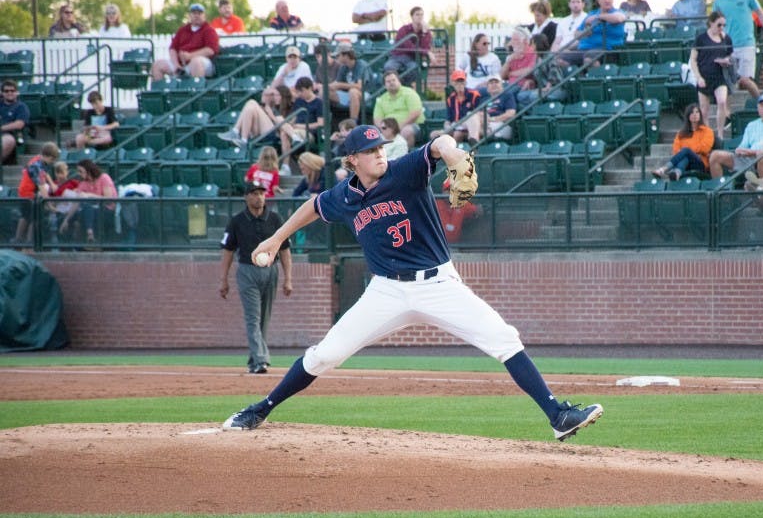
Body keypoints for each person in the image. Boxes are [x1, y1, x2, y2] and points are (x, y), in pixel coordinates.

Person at [221, 124, 604, 442]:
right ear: (352, 159)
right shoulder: (345, 195)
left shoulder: (404, 171)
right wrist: (275, 239)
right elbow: (314, 206)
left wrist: (453, 155)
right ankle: (261, 409)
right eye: (370, 150)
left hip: (438, 283)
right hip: (385, 289)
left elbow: (438, 144)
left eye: (380, 147)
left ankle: (557, 416)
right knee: (325, 355)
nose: (379, 153)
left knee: (503, 338)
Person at [220, 180, 293, 375]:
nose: (259, 197)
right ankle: (261, 359)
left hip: (271, 270)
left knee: (264, 319)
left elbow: (285, 250)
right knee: (253, 317)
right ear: (246, 197)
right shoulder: (237, 221)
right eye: (254, 193)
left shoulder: (275, 219)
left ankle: (255, 358)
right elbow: (228, 251)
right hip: (247, 271)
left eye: (261, 193)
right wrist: (223, 279)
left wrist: (288, 279)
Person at [709, 93, 763, 179]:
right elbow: (743, 146)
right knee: (715, 155)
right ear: (758, 108)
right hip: (748, 157)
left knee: (761, 154)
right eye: (761, 106)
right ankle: (718, 189)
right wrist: (742, 151)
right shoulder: (751, 125)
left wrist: (754, 152)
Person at [712, 0, 763, 98]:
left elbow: (760, 13)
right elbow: (713, 23)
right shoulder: (718, 0)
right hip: (727, 46)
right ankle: (727, 114)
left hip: (746, 44)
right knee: (727, 84)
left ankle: (761, 102)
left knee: (744, 81)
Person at [688, 11, 733, 141]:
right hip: (704, 76)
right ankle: (708, 135)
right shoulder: (701, 39)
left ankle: (720, 134)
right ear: (711, 23)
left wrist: (726, 61)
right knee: (704, 110)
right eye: (719, 25)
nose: (721, 28)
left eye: (723, 25)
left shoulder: (726, 38)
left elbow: (731, 55)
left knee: (722, 101)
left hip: (720, 75)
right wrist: (698, 77)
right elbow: (693, 59)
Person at [150, 4, 220, 80]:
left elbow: (211, 50)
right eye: (194, 13)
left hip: (203, 63)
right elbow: (173, 48)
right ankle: (160, 90)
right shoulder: (183, 30)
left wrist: (190, 56)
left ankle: (196, 90)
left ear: (204, 16)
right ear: (189, 15)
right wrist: (176, 64)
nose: (196, 16)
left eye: (199, 13)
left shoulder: (209, 30)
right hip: (180, 64)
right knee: (157, 65)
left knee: (196, 62)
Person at [652, 103, 715, 181]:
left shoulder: (707, 131)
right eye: (692, 113)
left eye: (697, 112)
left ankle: (663, 169)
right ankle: (677, 173)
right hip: (684, 163)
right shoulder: (681, 134)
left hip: (700, 163)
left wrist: (688, 150)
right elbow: (676, 151)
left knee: (686, 151)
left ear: (700, 115)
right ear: (688, 116)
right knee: (685, 156)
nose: (695, 115)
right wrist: (690, 150)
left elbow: (705, 148)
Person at [219, 85, 295, 148]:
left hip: (273, 134)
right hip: (259, 133)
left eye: (278, 95)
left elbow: (284, 126)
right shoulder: (271, 106)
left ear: (283, 97)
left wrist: (271, 115)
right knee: (251, 105)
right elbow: (264, 96)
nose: (276, 97)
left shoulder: (287, 109)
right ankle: (241, 137)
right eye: (274, 95)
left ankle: (237, 133)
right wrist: (270, 91)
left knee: (252, 102)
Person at [14, 142, 59, 245]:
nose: (52, 162)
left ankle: (20, 240)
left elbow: (45, 173)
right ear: (45, 155)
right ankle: (29, 243)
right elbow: (42, 188)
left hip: (28, 191)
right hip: (27, 194)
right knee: (33, 218)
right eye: (51, 159)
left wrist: (52, 183)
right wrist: (49, 204)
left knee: (26, 217)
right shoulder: (36, 166)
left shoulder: (40, 160)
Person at [562, 0, 627, 66]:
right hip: (585, 48)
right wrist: (585, 33)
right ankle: (568, 76)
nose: (607, 1)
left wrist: (598, 17)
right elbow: (576, 34)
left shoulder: (618, 12)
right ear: (599, 1)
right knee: (560, 58)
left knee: (589, 58)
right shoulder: (591, 14)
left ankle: (595, 76)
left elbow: (619, 18)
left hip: (607, 49)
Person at [383, 6, 436, 87]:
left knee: (414, 68)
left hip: (412, 58)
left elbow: (425, 47)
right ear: (412, 17)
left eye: (421, 15)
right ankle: (397, 87)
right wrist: (427, 52)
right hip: (397, 56)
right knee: (389, 67)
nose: (420, 17)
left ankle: (403, 87)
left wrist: (424, 33)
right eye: (417, 15)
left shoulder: (426, 32)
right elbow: (408, 47)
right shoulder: (403, 29)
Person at [372, 70, 425, 149]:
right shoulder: (381, 99)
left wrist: (398, 127)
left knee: (406, 131)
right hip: (388, 128)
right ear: (385, 85)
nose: (391, 83)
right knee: (373, 135)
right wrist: (385, 129)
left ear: (399, 81)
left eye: (394, 80)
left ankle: (406, 157)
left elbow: (415, 113)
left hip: (411, 125)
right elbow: (377, 119)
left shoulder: (409, 93)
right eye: (388, 81)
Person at [73, 159, 118, 245]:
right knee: (85, 208)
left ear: (88, 170)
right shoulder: (83, 183)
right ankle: (90, 235)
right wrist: (66, 219)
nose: (79, 174)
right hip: (90, 211)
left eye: (81, 171)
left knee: (88, 210)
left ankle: (89, 236)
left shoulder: (104, 177)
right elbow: (76, 203)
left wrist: (90, 195)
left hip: (106, 210)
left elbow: (108, 200)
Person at [515, 34, 567, 106]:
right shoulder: (537, 58)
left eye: (532, 44)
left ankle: (540, 112)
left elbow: (553, 73)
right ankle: (535, 113)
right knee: (521, 96)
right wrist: (530, 81)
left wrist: (547, 87)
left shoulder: (550, 56)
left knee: (534, 96)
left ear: (538, 44)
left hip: (556, 89)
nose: (531, 46)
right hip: (542, 88)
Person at [436, 69, 483, 143]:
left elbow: (480, 113)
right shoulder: (450, 99)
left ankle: (473, 145)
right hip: (456, 125)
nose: (460, 84)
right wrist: (447, 126)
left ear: (465, 82)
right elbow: (448, 119)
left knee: (459, 132)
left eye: (462, 81)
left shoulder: (474, 94)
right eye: (457, 82)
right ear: (453, 83)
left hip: (473, 125)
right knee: (434, 135)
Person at [330, 46, 372, 122]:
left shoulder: (361, 64)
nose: (336, 58)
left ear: (345, 55)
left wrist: (340, 85)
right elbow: (336, 84)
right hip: (348, 94)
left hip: (365, 94)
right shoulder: (343, 67)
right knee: (324, 91)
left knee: (353, 92)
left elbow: (360, 86)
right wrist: (327, 86)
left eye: (338, 55)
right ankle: (323, 124)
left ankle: (353, 123)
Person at [284, 77, 323, 157]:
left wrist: (301, 126)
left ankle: (286, 163)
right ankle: (286, 164)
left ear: (310, 88)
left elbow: (320, 123)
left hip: (309, 133)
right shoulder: (299, 101)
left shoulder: (319, 103)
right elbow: (294, 118)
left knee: (284, 134)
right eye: (298, 92)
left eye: (302, 91)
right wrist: (290, 123)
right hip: (295, 130)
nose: (300, 94)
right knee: (283, 131)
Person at [435, 177, 481, 244]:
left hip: (456, 247)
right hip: (439, 245)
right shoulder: (435, 204)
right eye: (448, 190)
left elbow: (478, 210)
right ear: (442, 192)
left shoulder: (462, 204)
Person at [499, 26, 538, 92]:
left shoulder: (533, 53)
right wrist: (508, 61)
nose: (511, 43)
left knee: (505, 93)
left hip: (522, 85)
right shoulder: (512, 55)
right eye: (512, 40)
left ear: (525, 41)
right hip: (509, 84)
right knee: (489, 91)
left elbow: (528, 71)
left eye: (515, 40)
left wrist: (509, 74)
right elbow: (501, 76)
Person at [1, 80, 29, 165]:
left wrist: (2, 128)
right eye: (6, 91)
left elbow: (19, 124)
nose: (10, 93)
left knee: (8, 140)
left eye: (12, 91)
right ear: (2, 93)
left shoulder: (21, 107)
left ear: (17, 92)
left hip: (12, 135)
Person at [483, 75, 516, 140]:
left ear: (502, 85)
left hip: (502, 125)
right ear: (487, 88)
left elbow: (511, 113)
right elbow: (480, 114)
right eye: (491, 83)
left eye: (496, 82)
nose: (494, 84)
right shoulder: (484, 100)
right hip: (486, 124)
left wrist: (493, 119)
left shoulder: (507, 95)